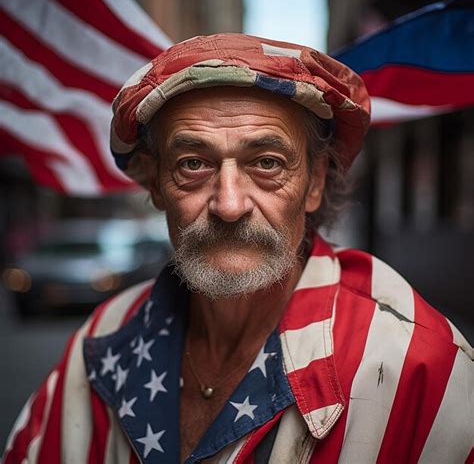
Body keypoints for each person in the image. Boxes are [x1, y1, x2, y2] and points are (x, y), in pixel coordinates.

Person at [3, 33, 473, 464]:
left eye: (266, 163)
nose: (229, 204)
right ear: (156, 186)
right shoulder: (104, 337)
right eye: (192, 164)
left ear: (314, 184)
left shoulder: (418, 366)